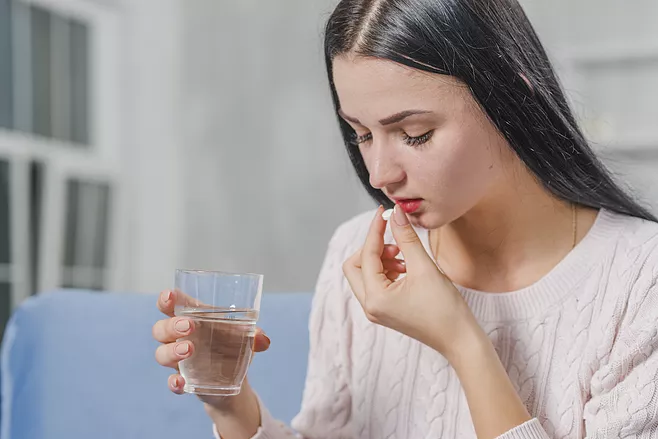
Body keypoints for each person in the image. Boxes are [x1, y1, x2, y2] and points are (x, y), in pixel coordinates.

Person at [152, 0, 658, 437]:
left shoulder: (640, 279)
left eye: (414, 133)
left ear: (514, 98)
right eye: (362, 134)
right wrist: (232, 405)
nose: (379, 174)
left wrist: (462, 341)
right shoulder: (356, 253)